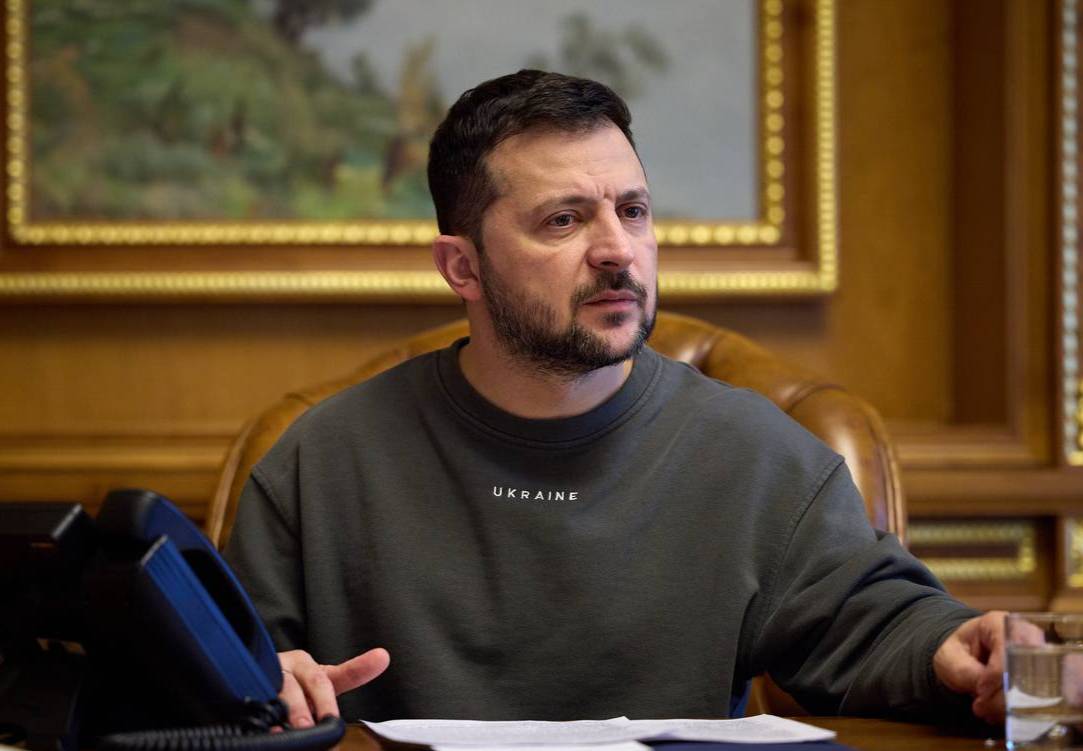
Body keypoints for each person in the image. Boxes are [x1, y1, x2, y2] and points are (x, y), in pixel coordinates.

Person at [224, 70, 1007, 728]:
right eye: (563, 220)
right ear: (462, 267)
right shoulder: (320, 460)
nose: (616, 250)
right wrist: (257, 682)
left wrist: (956, 649)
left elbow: (876, 623)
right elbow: (227, 668)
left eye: (631, 211)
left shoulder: (753, 452)